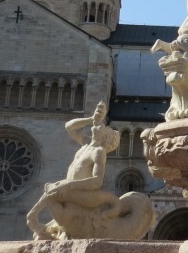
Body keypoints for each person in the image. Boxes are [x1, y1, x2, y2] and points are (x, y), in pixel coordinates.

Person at [25, 102, 153, 240]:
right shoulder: (86, 144)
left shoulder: (99, 152)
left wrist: (67, 185)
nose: (100, 125)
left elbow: (96, 182)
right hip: (73, 189)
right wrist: (91, 118)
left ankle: (33, 219)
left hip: (87, 193)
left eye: (104, 127)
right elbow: (69, 127)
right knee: (52, 190)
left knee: (52, 192)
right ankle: (47, 224)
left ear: (106, 137)